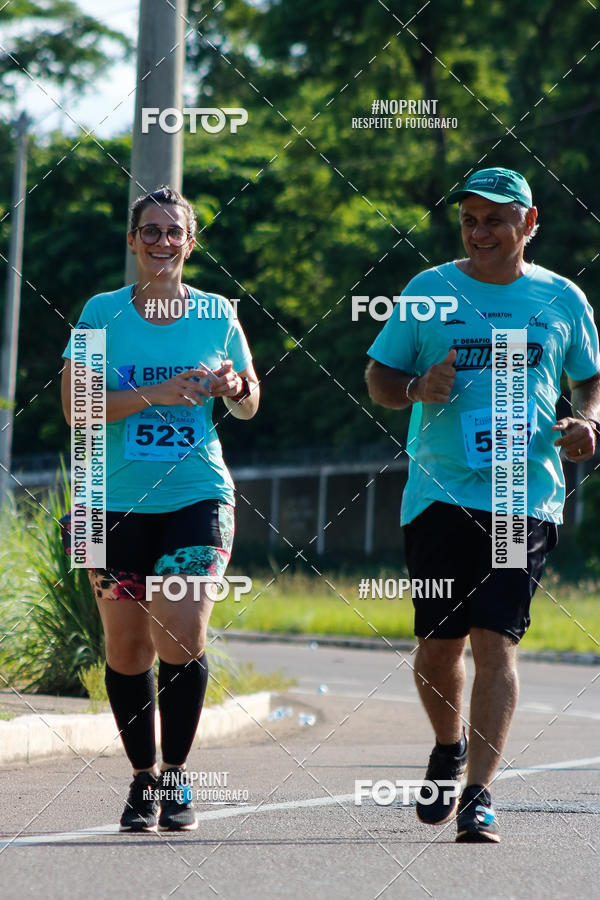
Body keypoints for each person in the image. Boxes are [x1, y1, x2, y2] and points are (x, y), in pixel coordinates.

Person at [366, 167, 600, 843]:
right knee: (439, 649)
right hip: (439, 495)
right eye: (470, 220)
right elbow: (378, 377)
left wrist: (588, 423)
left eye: (496, 219)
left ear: (529, 224)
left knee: (495, 640)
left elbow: (590, 379)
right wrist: (417, 386)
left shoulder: (562, 299)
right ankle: (448, 746)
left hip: (522, 495)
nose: (480, 232)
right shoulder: (427, 292)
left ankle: (479, 796)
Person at [60, 185, 259, 832]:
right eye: (150, 231)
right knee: (126, 649)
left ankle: (176, 776)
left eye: (174, 232)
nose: (162, 242)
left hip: (194, 495)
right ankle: (142, 777)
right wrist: (157, 394)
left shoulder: (218, 313)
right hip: (107, 500)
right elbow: (76, 408)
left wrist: (232, 387)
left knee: (181, 630)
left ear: (190, 243)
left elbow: (251, 400)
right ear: (132, 241)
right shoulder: (100, 314)